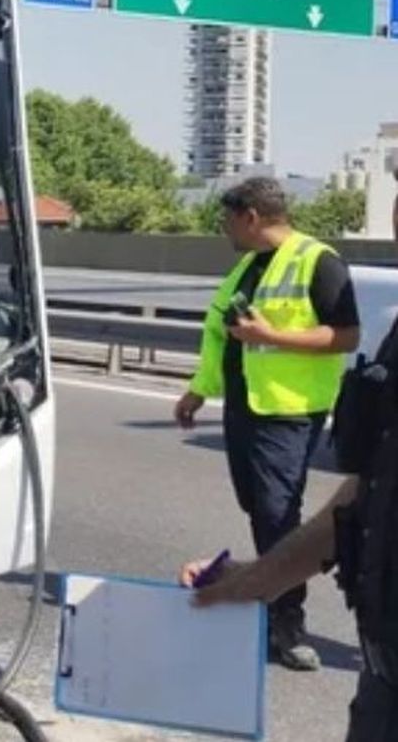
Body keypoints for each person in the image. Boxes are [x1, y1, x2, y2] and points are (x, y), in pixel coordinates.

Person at [174, 176, 360, 670]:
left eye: (227, 219)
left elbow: (346, 336)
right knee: (260, 510)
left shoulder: (318, 261)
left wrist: (271, 335)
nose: (223, 229)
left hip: (287, 411)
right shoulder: (246, 268)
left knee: (278, 513)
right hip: (244, 407)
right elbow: (222, 337)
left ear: (250, 217)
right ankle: (271, 607)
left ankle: (287, 625)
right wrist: (198, 391)